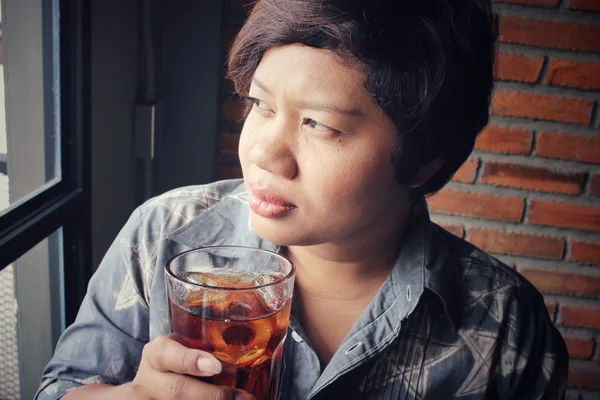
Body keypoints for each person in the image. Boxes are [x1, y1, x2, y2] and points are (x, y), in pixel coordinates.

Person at [36, 0, 569, 399]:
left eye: (319, 123)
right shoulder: (164, 232)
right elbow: (61, 387)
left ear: (425, 158)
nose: (264, 153)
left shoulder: (505, 323)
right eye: (260, 104)